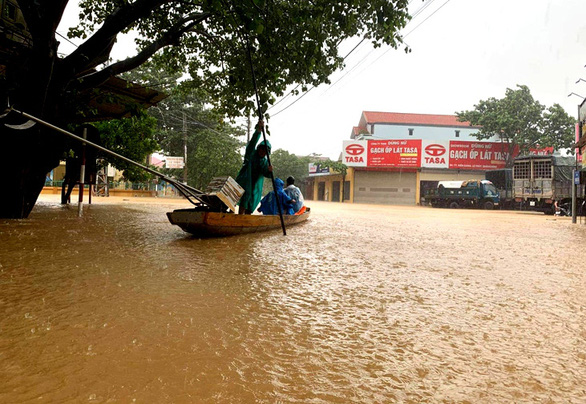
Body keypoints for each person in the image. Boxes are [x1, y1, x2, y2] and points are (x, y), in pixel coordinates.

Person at [235, 120, 272, 214]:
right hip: (244, 180)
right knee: (243, 198)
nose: (262, 152)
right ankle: (239, 217)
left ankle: (246, 218)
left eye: (265, 151)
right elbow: (252, 143)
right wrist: (258, 130)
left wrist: (269, 171)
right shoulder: (251, 154)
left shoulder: (264, 161)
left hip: (254, 184)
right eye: (261, 149)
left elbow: (266, 173)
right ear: (258, 148)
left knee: (252, 200)